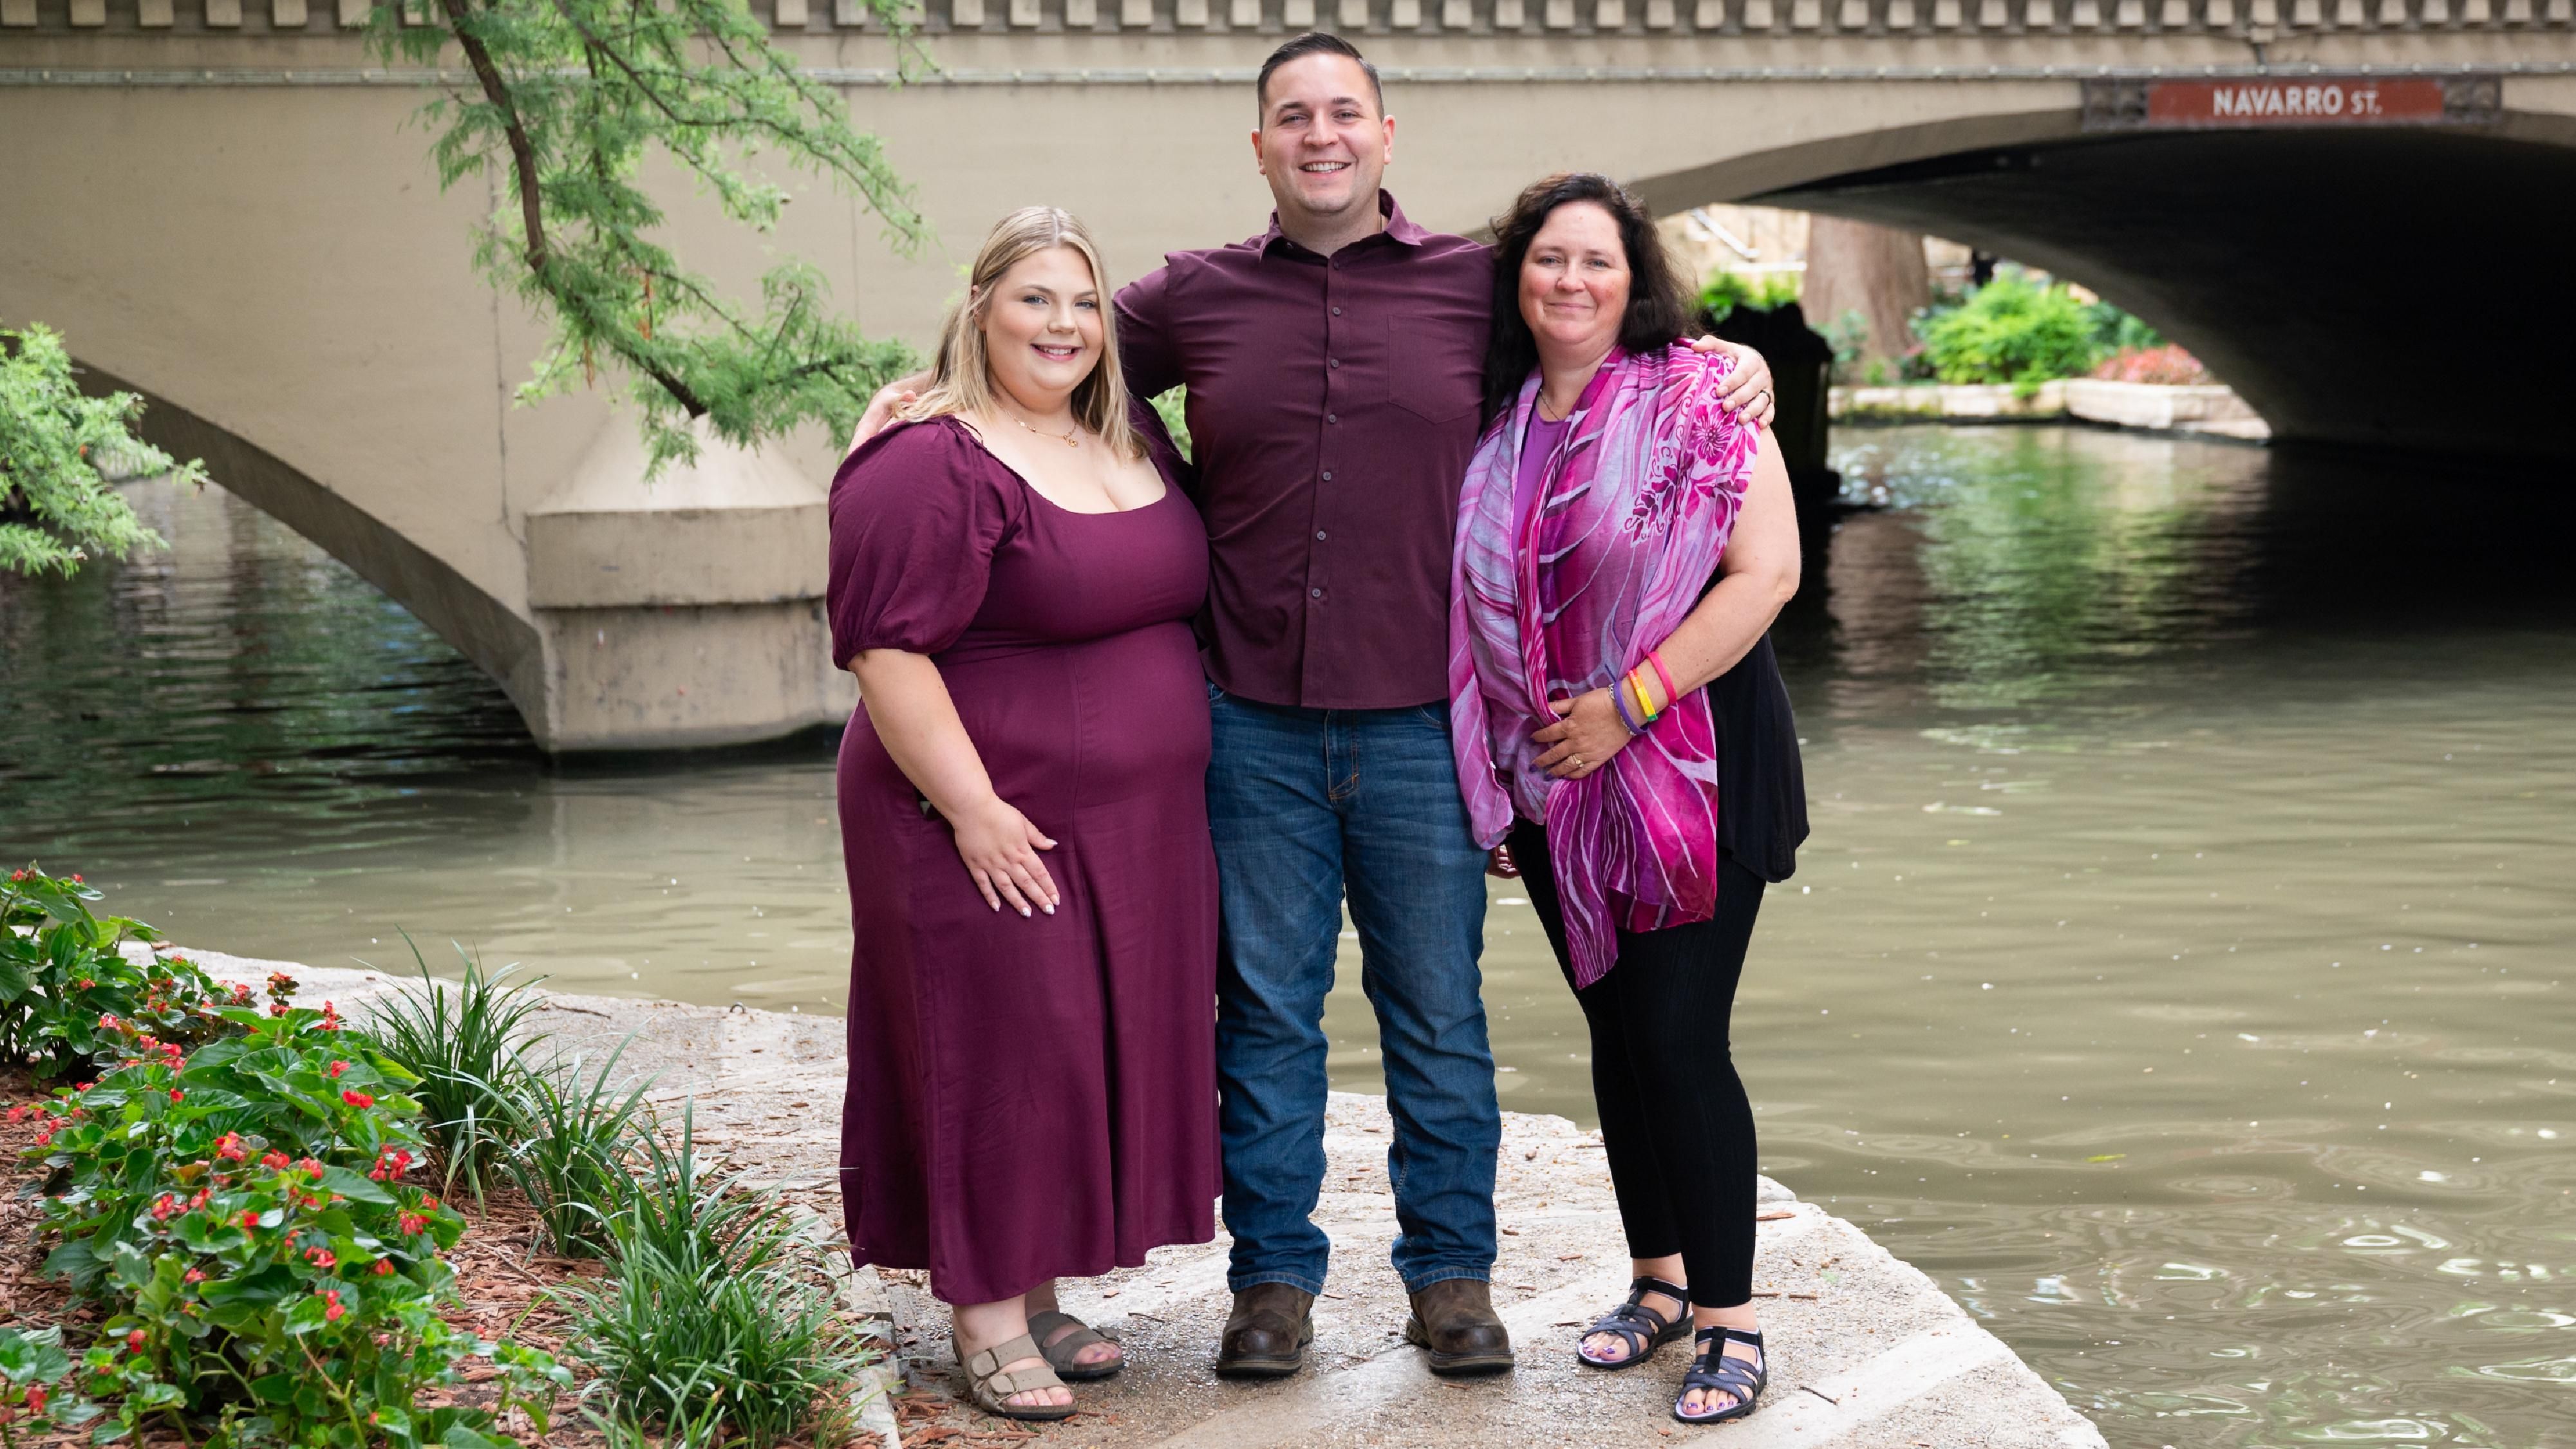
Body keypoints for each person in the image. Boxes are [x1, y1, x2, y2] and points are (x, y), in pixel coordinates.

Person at [855, 32, 1777, 1382]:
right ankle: (1272, 1287)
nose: (1322, 135)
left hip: (1422, 729)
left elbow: (1596, 329)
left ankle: (1451, 1281)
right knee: (1266, 1020)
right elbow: (1045, 350)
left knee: (1438, 1019)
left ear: (1386, 137)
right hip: (1248, 727)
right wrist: (925, 398)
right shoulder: (1192, 298)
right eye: (1294, 116)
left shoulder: (1474, 287)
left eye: (1346, 112)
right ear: (1261, 146)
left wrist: (1727, 359)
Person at [827, 205, 1217, 1423]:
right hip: (975, 813)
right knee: (993, 1046)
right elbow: (884, 649)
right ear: (980, 310)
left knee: (1064, 1046)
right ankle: (986, 1317)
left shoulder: (1129, 432)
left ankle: (1037, 1291)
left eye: (1084, 302)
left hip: (1128, 825)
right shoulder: (928, 458)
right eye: (1034, 298)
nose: (1064, 324)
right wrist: (974, 809)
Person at [1446, 171, 1807, 1426]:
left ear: (1632, 277)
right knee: (1616, 1029)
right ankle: (1658, 1278)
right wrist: (1506, 767)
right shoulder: (1492, 422)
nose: (1571, 280)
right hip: (1556, 781)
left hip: (1694, 760)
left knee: (1678, 1036)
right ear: (1516, 276)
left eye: (1596, 260)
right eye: (1548, 258)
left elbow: (1768, 573)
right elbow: (1478, 609)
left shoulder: (1704, 394)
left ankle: (1731, 1320)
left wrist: (1627, 703)